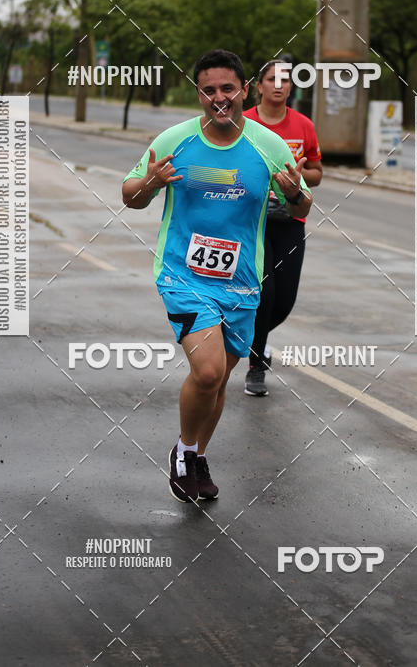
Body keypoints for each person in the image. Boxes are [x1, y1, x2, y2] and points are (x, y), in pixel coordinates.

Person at [122, 49, 312, 503]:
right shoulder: (175, 140)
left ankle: (198, 455)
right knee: (206, 373)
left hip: (242, 282)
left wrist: (293, 195)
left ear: (244, 90)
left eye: (228, 88)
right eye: (209, 90)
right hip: (183, 276)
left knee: (220, 378)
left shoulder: (269, 146)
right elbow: (130, 196)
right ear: (198, 94)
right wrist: (150, 183)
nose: (219, 97)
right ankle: (185, 452)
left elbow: (302, 204)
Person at [243, 59, 322, 396]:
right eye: (272, 78)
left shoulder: (304, 125)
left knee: (284, 300)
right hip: (253, 222)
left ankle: (248, 338)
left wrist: (298, 178)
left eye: (285, 80)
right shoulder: (244, 122)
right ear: (259, 85)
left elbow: (317, 173)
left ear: (292, 87)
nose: (279, 85)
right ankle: (256, 364)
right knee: (265, 293)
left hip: (290, 221)